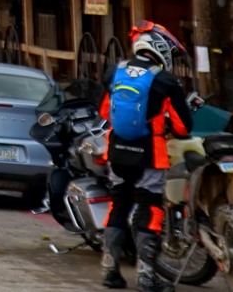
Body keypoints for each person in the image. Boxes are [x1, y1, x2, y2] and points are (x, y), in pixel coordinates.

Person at [98, 27, 193, 291]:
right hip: (149, 155)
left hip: (116, 152)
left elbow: (105, 111)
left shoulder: (115, 71)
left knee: (118, 206)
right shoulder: (164, 80)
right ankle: (146, 277)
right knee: (150, 210)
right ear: (160, 50)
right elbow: (184, 127)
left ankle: (110, 270)